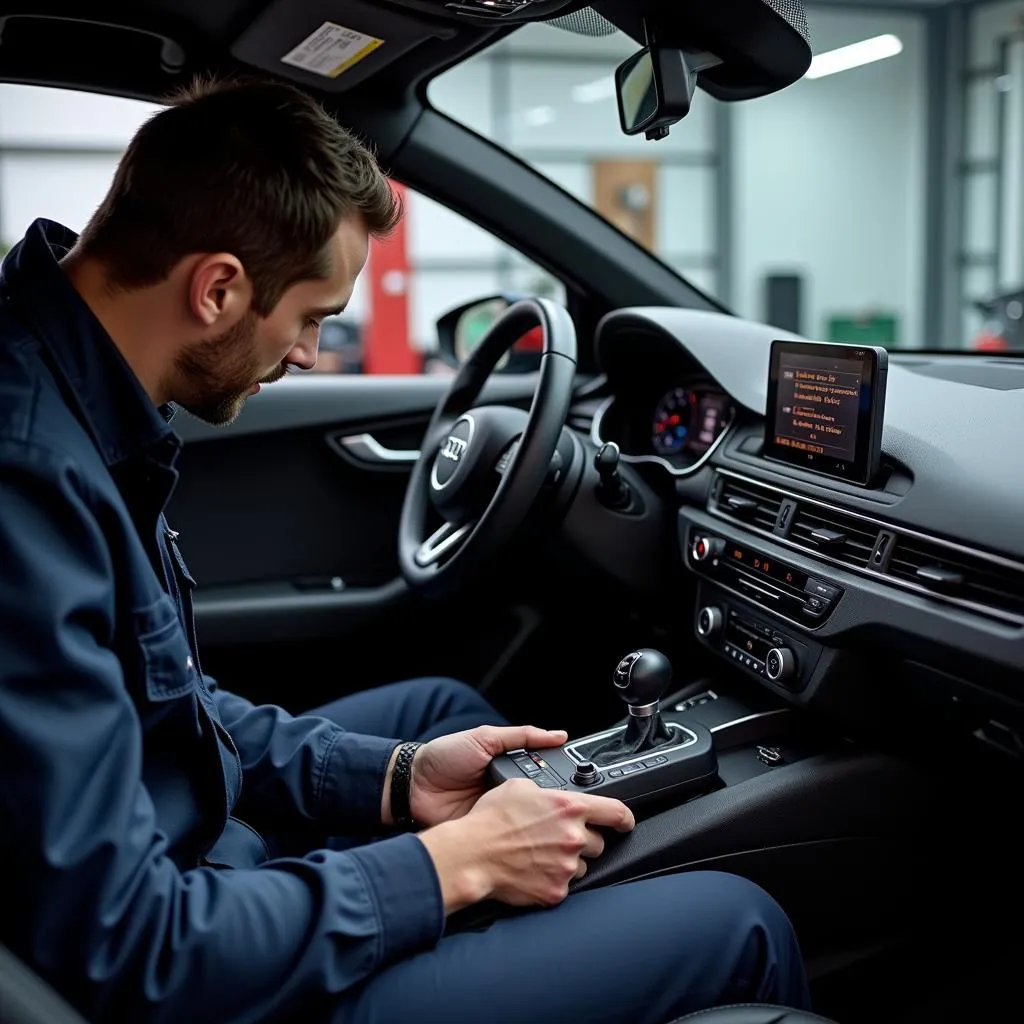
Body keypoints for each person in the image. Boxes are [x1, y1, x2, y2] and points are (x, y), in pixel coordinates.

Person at [0, 75, 812, 1024]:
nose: (308, 354)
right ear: (217, 288)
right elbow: (139, 948)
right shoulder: (30, 479)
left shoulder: (72, 401)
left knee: (440, 720)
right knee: (742, 924)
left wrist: (396, 781)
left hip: (205, 877)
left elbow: (163, 701)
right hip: (194, 970)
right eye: (310, 317)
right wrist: (451, 869)